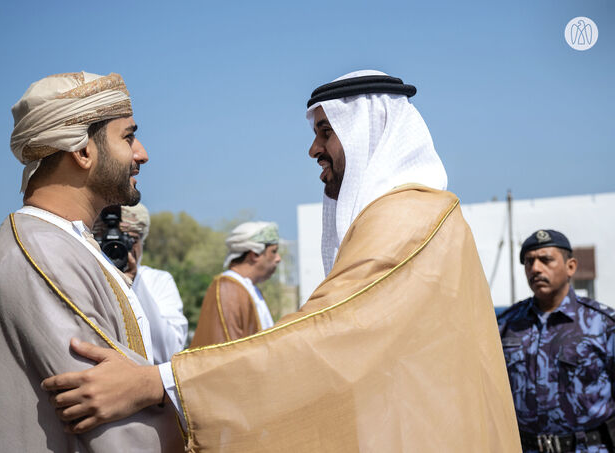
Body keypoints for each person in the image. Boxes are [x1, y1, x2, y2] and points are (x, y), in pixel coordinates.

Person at [43, 70, 520, 451]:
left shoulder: (406, 219)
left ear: (371, 135)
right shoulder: (420, 214)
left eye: (326, 132)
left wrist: (159, 383)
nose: (314, 149)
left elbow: (326, 336)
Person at [0, 72, 182, 452]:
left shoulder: (65, 244)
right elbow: (113, 424)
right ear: (82, 152)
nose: (141, 153)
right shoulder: (41, 253)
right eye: (128, 137)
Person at [498, 229, 615, 453]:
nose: (535, 268)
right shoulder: (506, 325)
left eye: (545, 260)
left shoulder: (602, 324)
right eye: (529, 262)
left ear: (570, 266)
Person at [92, 202, 188, 363]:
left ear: (142, 241)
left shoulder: (158, 281)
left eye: (129, 239)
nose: (116, 247)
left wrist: (132, 283)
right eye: (106, 238)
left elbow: (168, 353)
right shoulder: (85, 275)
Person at [190, 221, 280, 347]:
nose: (278, 258)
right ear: (254, 254)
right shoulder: (228, 288)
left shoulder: (248, 288)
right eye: (274, 251)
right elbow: (228, 353)